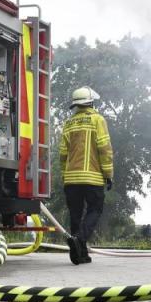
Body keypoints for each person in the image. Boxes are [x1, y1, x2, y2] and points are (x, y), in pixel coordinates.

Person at [59, 87, 114, 265]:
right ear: (91, 101)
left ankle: (80, 254)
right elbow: (104, 149)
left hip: (71, 179)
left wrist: (64, 175)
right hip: (92, 177)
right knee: (95, 210)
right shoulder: (97, 120)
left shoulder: (69, 123)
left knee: (75, 214)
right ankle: (80, 239)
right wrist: (108, 174)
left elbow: (62, 153)